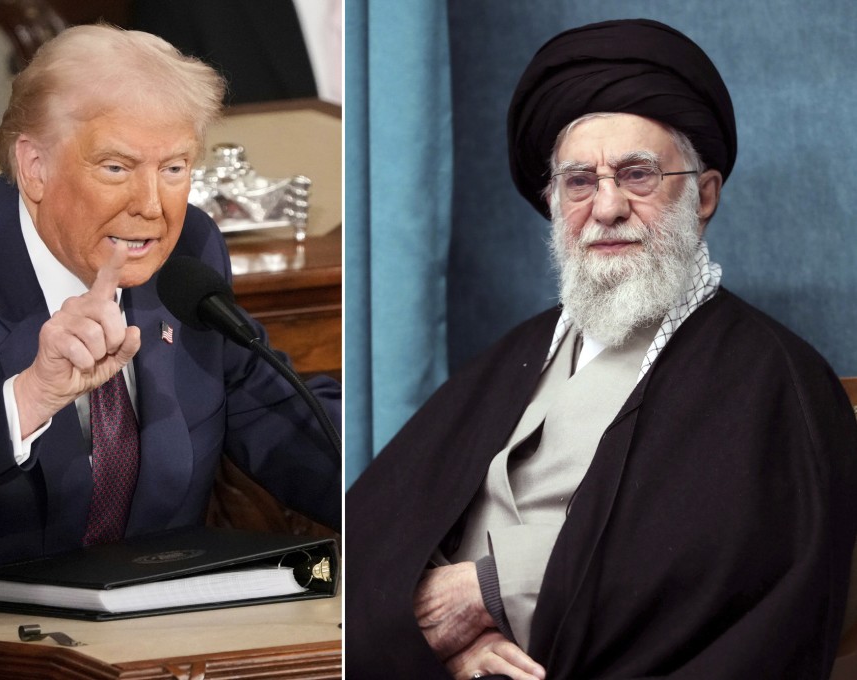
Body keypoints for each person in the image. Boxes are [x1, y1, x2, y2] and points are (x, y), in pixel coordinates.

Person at [346, 18, 857, 680]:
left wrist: (491, 589)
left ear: (703, 194)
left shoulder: (773, 376)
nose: (607, 205)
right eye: (580, 181)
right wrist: (447, 638)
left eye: (637, 174)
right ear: (555, 202)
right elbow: (383, 527)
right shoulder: (519, 352)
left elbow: (728, 566)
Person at [0, 25, 341, 600]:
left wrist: (433, 493)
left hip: (157, 636)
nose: (152, 206)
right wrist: (29, 398)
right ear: (34, 167)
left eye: (174, 168)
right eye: (117, 168)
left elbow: (279, 415)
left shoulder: (186, 256)